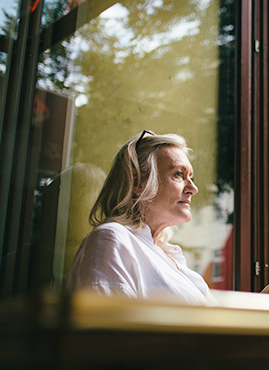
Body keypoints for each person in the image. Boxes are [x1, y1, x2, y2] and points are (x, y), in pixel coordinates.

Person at [67, 130, 216, 305]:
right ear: (138, 182)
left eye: (190, 177)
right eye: (178, 174)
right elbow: (107, 328)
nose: (193, 188)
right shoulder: (112, 239)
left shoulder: (169, 254)